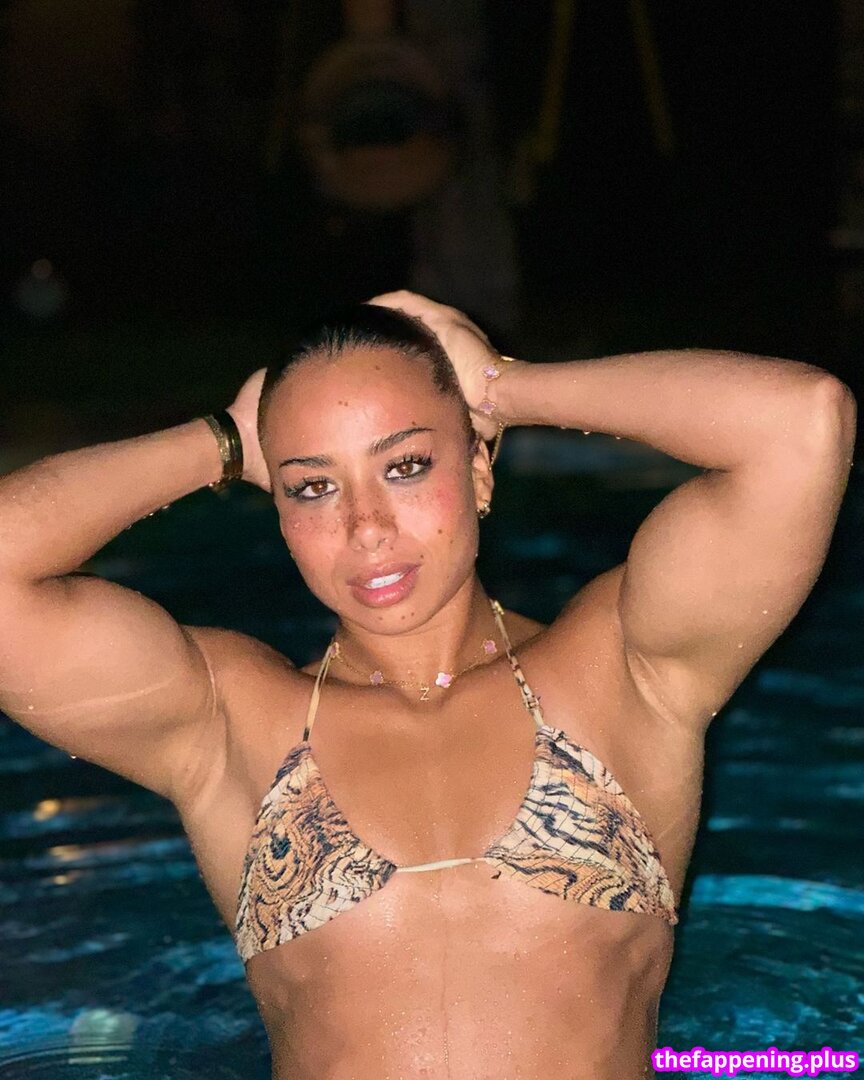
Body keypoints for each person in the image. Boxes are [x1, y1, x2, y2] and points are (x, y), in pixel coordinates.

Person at [0, 291, 855, 1078]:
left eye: (405, 466)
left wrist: (501, 387)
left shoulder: (623, 672)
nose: (365, 526)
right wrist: (224, 441)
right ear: (279, 514)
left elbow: (803, 423)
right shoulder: (228, 722)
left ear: (479, 471)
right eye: (313, 486)